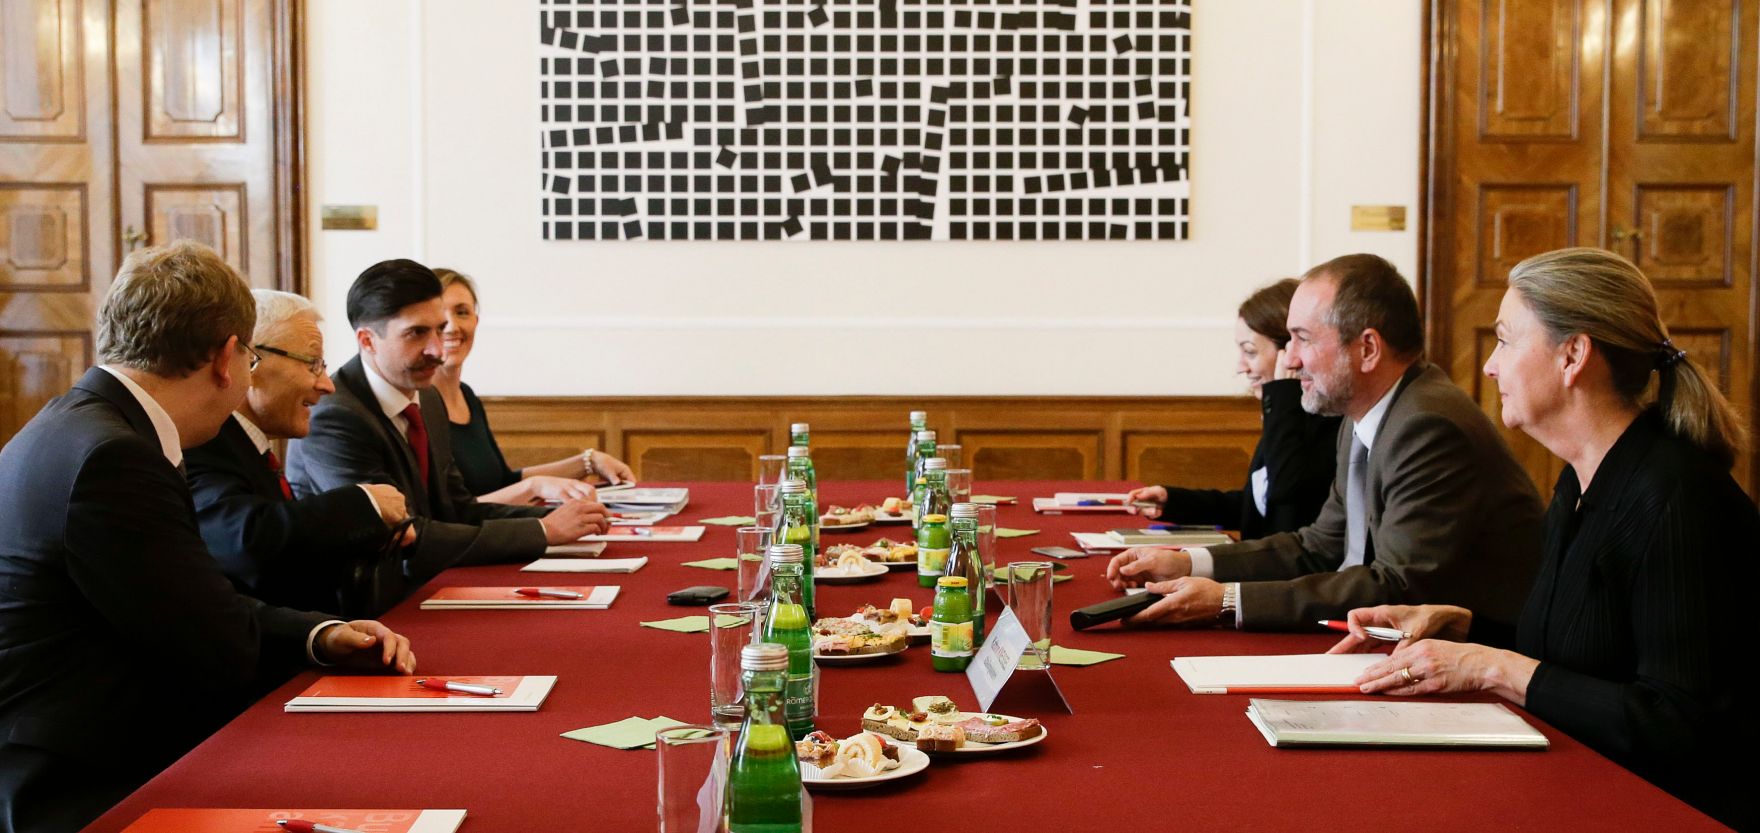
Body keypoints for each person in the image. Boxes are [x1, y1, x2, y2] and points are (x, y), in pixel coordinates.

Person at [1329, 247, 1756, 831]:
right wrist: (1461, 628)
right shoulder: (1580, 479)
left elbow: (1679, 724)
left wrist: (1491, 667)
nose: (1489, 366)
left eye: (1505, 340)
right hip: (1586, 787)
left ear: (1573, 355)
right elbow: (1584, 656)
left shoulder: (1674, 497)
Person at [0, 242, 415, 833]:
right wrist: (315, 642)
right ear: (228, 358)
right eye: (249, 361)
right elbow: (209, 638)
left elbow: (185, 598)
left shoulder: (87, 423)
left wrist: (320, 633)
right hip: (83, 783)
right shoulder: (116, 455)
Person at [1106, 253, 1544, 637]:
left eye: (1303, 338)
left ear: (1367, 348)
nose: (1290, 359)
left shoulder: (1426, 425)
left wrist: (1227, 600)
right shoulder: (1367, 414)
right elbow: (1317, 546)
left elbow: (1398, 585)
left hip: (1483, 656)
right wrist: (1190, 563)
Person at [285, 259, 610, 610]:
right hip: (362, 611)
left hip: (430, 586)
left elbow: (457, 509)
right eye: (417, 333)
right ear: (368, 340)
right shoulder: (335, 417)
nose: (438, 350)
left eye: (439, 330)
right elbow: (399, 536)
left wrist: (558, 519)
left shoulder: (427, 398)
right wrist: (544, 531)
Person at [186, 290, 417, 617]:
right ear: (250, 360)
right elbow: (245, 542)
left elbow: (286, 553)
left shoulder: (246, 445)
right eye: (312, 364)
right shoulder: (204, 442)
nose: (327, 384)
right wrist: (362, 503)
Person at [1126, 278, 1342, 537]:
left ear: (1289, 352)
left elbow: (1286, 491)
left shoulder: (1325, 419)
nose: (1241, 366)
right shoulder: (1284, 412)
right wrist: (1173, 501)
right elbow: (1256, 506)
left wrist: (1282, 391)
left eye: (1250, 352)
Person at [430, 268, 634, 503]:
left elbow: (505, 483)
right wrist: (534, 487)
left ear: (476, 321)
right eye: (440, 316)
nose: (452, 327)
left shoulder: (466, 396)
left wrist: (588, 461)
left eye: (462, 312)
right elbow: (450, 514)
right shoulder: (415, 409)